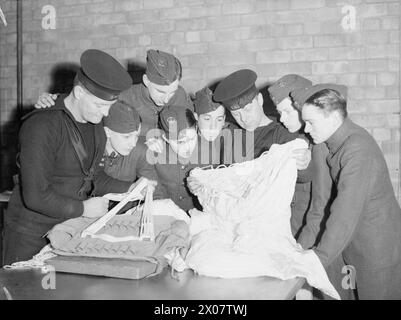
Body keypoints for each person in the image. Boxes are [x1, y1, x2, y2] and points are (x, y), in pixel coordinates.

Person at [3, 49, 136, 265]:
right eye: (100, 105)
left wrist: (130, 189)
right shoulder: (42, 126)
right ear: (79, 93)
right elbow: (36, 196)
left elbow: (93, 177)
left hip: (67, 231)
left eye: (109, 107)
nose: (104, 114)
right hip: (30, 236)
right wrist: (84, 208)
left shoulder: (96, 125)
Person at [291, 83, 401, 299]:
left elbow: (344, 213)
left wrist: (316, 261)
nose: (305, 129)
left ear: (332, 118)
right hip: (349, 248)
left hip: (377, 252)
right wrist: (298, 251)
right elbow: (320, 205)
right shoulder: (323, 143)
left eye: (310, 122)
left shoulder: (358, 148)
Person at [35, 49, 193, 139]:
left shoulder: (180, 96)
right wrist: (54, 99)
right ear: (146, 80)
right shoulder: (125, 96)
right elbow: (86, 100)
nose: (166, 98)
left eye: (172, 91)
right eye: (160, 91)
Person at [213, 69, 311, 170]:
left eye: (248, 109)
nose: (243, 118)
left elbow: (302, 175)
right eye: (236, 114)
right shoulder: (230, 135)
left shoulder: (282, 133)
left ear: (260, 100)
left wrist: (304, 162)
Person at [267, 74, 316, 238]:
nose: (282, 118)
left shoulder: (321, 139)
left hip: (314, 231)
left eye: (287, 111)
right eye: (279, 112)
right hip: (288, 228)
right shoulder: (283, 134)